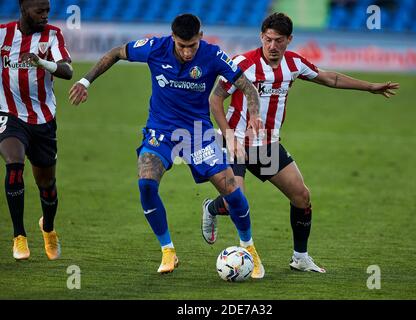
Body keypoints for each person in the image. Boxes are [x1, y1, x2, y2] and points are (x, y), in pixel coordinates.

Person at [69, 14, 266, 277]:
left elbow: (247, 86)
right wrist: (85, 80)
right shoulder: (155, 48)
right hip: (160, 131)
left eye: (192, 46)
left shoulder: (213, 55)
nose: (187, 52)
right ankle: (168, 251)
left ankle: (248, 247)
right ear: (173, 38)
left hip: (198, 133)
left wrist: (254, 113)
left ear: (201, 37)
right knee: (146, 182)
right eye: (182, 45)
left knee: (231, 189)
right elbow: (117, 52)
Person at [202, 12, 399, 273]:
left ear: (289, 40)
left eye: (279, 41)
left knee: (301, 196)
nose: (273, 46)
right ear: (262, 36)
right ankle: (215, 210)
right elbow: (215, 100)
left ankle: (300, 258)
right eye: (269, 39)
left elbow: (330, 78)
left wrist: (369, 87)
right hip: (235, 142)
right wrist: (227, 136)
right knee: (237, 202)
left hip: (267, 145)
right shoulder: (242, 63)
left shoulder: (293, 64)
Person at [0, 0, 73, 260]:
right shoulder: (3, 34)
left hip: (43, 120)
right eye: (39, 10)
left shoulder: (53, 35)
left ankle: (49, 229)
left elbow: (67, 70)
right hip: (9, 114)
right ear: (23, 8)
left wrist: (42, 63)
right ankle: (19, 236)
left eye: (47, 11)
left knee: (47, 185)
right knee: (14, 164)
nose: (44, 15)